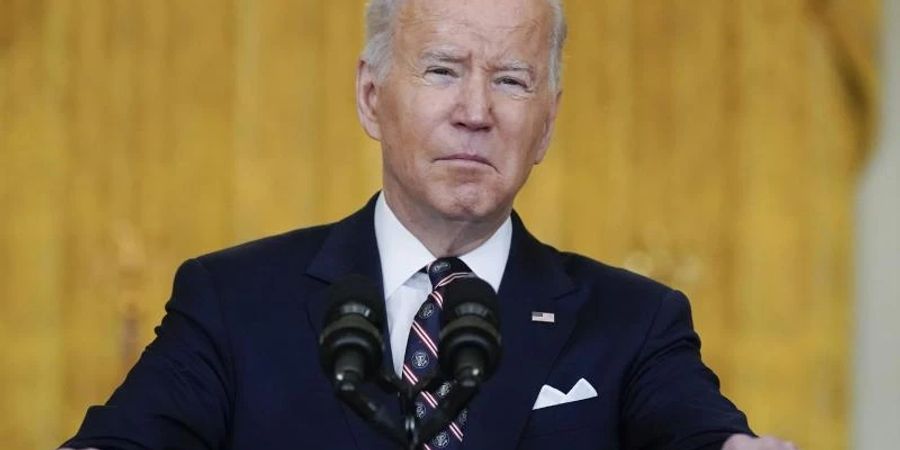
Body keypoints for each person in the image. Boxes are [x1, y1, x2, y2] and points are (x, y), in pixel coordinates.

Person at [62, 0, 798, 449]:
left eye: (511, 80)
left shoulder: (634, 322)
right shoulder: (231, 301)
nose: (475, 111)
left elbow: (696, 430)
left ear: (547, 124)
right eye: (443, 70)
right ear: (371, 94)